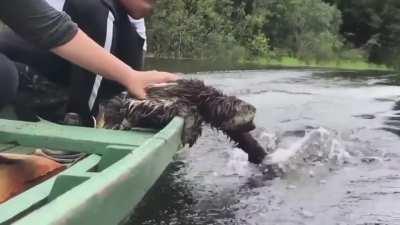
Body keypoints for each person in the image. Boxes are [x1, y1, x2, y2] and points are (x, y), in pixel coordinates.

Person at [0, 0, 178, 122]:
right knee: (6, 76)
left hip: (88, 81)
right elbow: (52, 28)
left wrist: (132, 77)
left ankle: (84, 114)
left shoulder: (131, 23)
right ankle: (79, 118)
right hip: (42, 62)